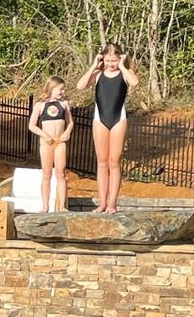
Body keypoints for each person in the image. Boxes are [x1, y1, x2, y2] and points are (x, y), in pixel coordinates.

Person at [77, 43, 137, 214]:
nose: (111, 63)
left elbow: (135, 82)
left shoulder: (125, 74)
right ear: (103, 58)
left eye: (114, 60)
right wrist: (93, 66)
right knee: (102, 162)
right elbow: (80, 86)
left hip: (118, 119)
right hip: (100, 120)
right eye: (108, 60)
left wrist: (123, 66)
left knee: (114, 161)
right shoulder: (97, 75)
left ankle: (112, 203)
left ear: (120, 58)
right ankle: (102, 203)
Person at [26, 76, 73, 212]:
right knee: (47, 173)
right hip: (46, 142)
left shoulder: (64, 104)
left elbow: (70, 122)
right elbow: (32, 125)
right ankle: (45, 206)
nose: (62, 92)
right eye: (60, 89)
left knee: (61, 173)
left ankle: (62, 206)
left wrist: (68, 131)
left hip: (60, 142)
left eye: (63, 89)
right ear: (52, 88)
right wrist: (44, 135)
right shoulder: (40, 105)